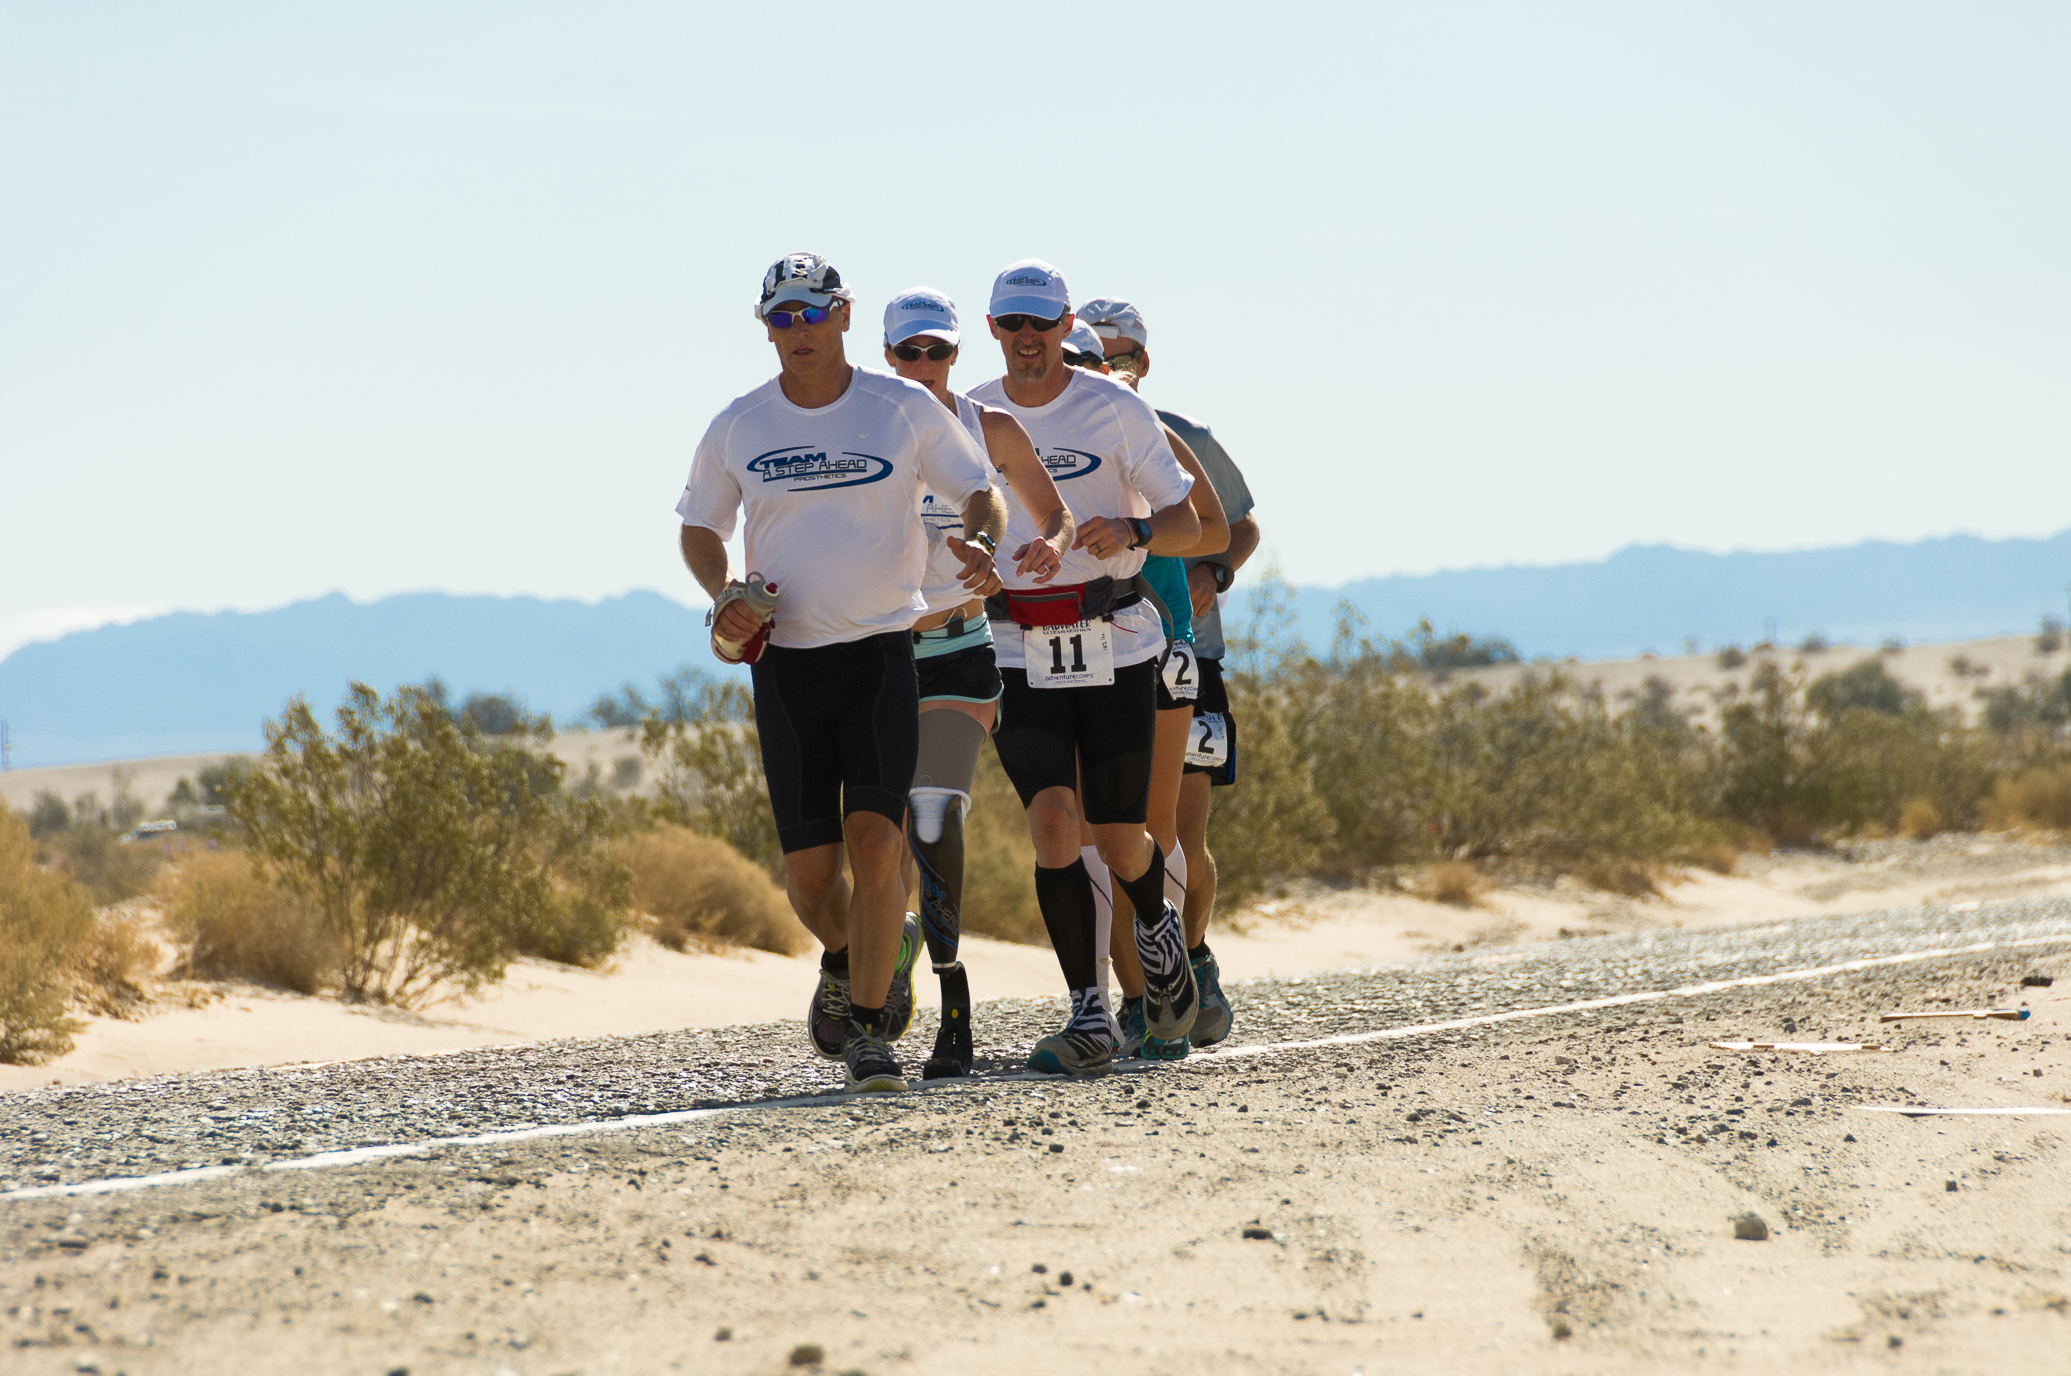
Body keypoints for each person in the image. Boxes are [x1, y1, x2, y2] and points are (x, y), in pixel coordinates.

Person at [675, 252, 1004, 1093]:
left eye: (810, 315)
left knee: (876, 841)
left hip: (882, 655)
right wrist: (722, 596)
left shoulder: (899, 407)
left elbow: (979, 488)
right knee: (812, 876)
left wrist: (981, 537)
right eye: (780, 319)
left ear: (843, 315)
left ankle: (868, 1034)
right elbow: (700, 526)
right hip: (785, 666)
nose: (797, 333)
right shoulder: (739, 424)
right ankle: (851, 953)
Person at [969, 258, 1202, 1077]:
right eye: (1011, 325)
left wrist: (1133, 535)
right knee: (1053, 828)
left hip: (1115, 637)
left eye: (1041, 324)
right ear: (992, 330)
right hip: (1013, 645)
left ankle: (1157, 928)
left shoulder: (1113, 405)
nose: (1027, 340)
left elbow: (1189, 521)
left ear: (1066, 326)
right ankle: (1089, 1015)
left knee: (1118, 834)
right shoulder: (971, 417)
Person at [879, 286, 1074, 1079]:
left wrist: (1046, 548)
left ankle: (952, 1003)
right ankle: (888, 945)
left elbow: (1049, 514)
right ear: (885, 357)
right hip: (875, 650)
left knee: (931, 816)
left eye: (938, 350)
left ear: (959, 353)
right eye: (908, 352)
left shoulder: (986, 426)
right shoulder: (864, 427)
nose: (924, 365)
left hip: (960, 649)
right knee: (879, 833)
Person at [1079, 296, 1262, 1048]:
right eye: (1089, 358)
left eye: (1118, 358)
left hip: (1191, 657)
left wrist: (1213, 572)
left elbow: (1237, 523)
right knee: (1109, 835)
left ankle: (1189, 958)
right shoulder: (1053, 437)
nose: (1103, 372)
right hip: (1095, 655)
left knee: (1180, 830)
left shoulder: (1181, 436)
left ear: (1142, 364)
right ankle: (1134, 993)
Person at [1056, 324, 1229, 1059]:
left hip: (1162, 646)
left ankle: (1176, 983)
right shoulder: (1029, 443)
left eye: (1095, 365)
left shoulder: (1152, 432)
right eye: (1075, 366)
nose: (1087, 378)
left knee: (1151, 828)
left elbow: (1213, 529)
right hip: (1069, 646)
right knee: (1087, 835)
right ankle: (1124, 1001)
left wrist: (1140, 535)